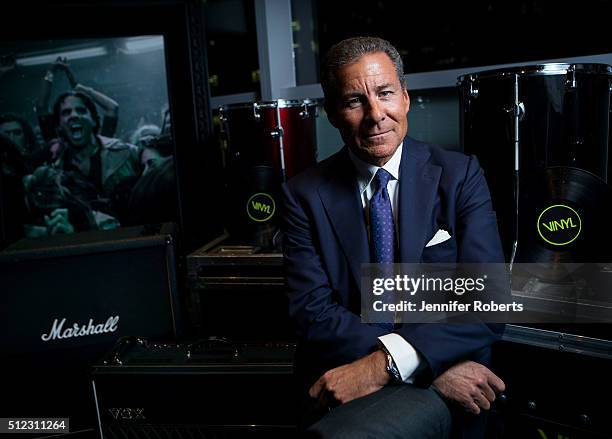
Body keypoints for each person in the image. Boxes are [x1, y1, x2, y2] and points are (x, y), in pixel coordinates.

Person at [282, 37, 506, 438]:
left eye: (385, 94)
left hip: (449, 389)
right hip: (349, 377)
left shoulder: (461, 175)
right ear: (333, 113)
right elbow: (313, 312)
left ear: (404, 97)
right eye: (354, 101)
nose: (375, 115)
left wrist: (384, 365)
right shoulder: (302, 194)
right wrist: (423, 369)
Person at [23, 91, 139, 235]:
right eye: (66, 113)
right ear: (58, 126)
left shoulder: (126, 153)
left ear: (94, 120)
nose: (73, 115)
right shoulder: (54, 167)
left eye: (81, 110)